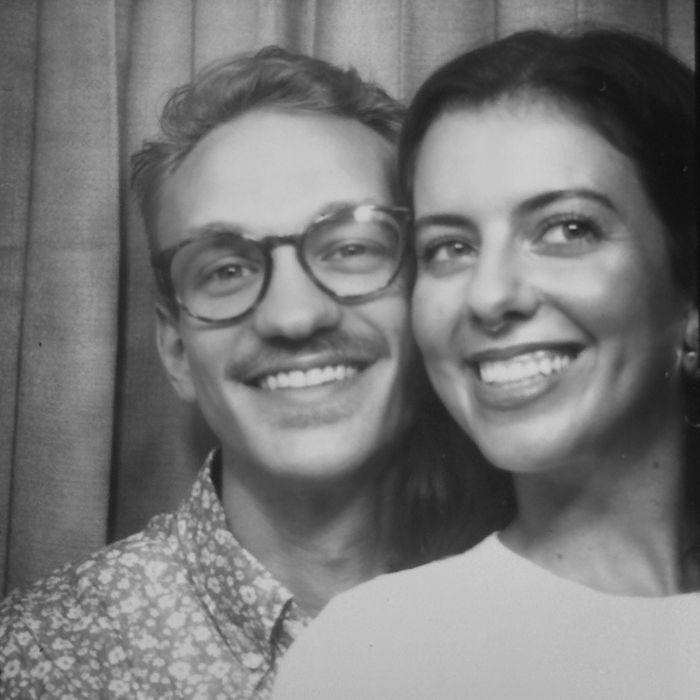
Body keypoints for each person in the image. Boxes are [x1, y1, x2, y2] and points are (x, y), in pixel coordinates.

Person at [0, 48, 509, 698]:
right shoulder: (39, 661)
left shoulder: (563, 607)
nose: (295, 316)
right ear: (176, 349)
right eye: (227, 269)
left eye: (351, 247)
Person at [273, 29, 700, 699]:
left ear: (688, 292)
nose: (490, 296)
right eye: (449, 247)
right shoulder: (373, 661)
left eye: (566, 229)